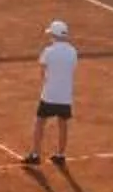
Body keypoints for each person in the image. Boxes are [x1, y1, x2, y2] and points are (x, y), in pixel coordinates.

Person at [24, 17, 77, 167]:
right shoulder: (73, 52)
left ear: (54, 35)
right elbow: (71, 69)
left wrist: (48, 81)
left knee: (40, 122)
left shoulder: (48, 51)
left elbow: (42, 72)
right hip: (65, 96)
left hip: (49, 95)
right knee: (63, 124)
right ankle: (60, 154)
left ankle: (35, 154)